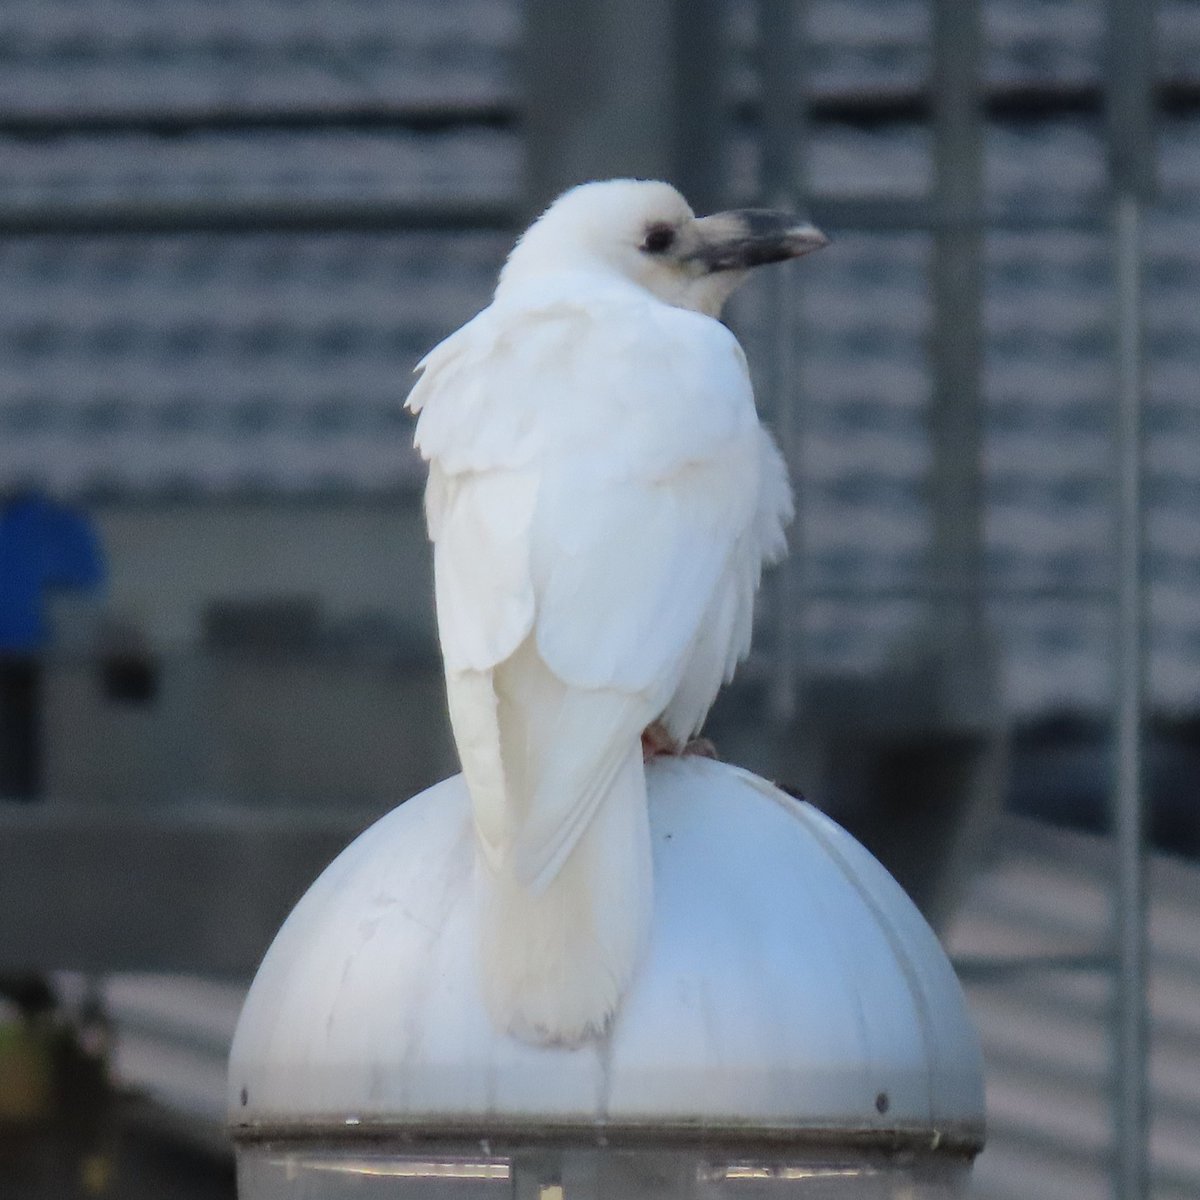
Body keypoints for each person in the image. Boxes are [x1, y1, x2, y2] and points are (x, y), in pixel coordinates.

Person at [0, 491, 106, 800]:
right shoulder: (56, 526)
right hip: (34, 661)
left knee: (28, 749)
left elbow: (84, 589)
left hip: (37, 663)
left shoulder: (56, 525)